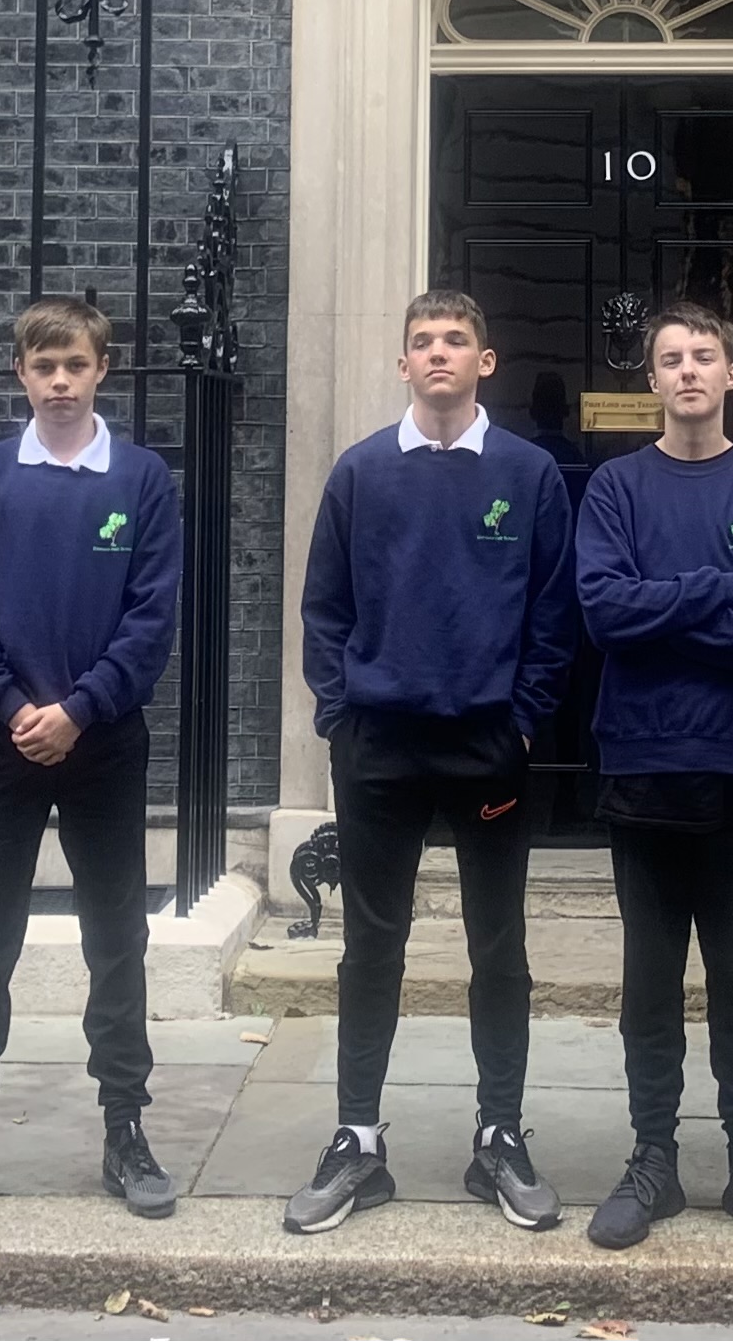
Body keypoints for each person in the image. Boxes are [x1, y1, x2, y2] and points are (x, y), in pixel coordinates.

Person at [288, 291, 574, 1236]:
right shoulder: (362, 470)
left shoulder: (529, 473)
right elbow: (324, 607)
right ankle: (356, 1137)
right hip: (380, 748)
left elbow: (554, 612)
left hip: (489, 749)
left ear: (485, 360)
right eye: (423, 341)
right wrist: (341, 718)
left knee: (499, 944)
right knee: (372, 943)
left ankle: (499, 1133)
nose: (439, 352)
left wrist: (523, 723)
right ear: (402, 362)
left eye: (456, 339)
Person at [0, 297, 182, 1220]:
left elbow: (151, 618)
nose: (60, 380)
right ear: (20, 374)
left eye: (75, 364)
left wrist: (79, 708)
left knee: (117, 936)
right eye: (44, 366)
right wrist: (16, 708)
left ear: (102, 368)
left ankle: (125, 1129)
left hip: (104, 743)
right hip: (5, 740)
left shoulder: (142, 479)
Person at [576, 302, 733, 1253]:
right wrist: (726, 588)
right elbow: (605, 614)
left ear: (730, 375)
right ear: (651, 380)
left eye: (703, 355)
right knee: (648, 976)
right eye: (670, 358)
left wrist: (665, 611)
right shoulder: (615, 488)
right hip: (641, 760)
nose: (686, 370)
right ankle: (654, 1156)